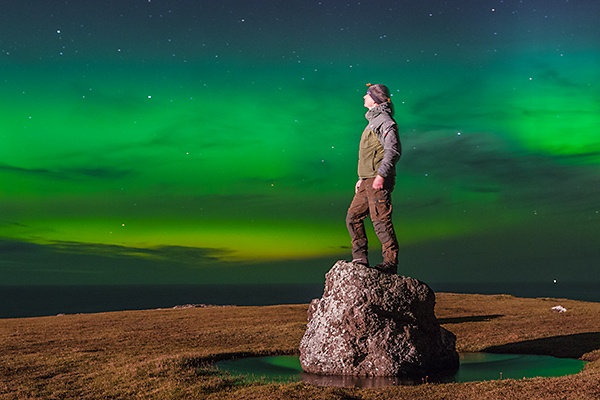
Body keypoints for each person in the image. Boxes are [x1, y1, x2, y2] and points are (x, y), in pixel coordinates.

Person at [346, 83, 401, 274]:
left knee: (381, 221)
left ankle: (390, 263)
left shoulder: (384, 121)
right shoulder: (373, 122)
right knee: (353, 217)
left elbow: (393, 150)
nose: (363, 97)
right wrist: (362, 178)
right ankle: (360, 258)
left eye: (367, 95)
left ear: (375, 100)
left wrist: (381, 175)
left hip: (377, 180)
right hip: (367, 180)